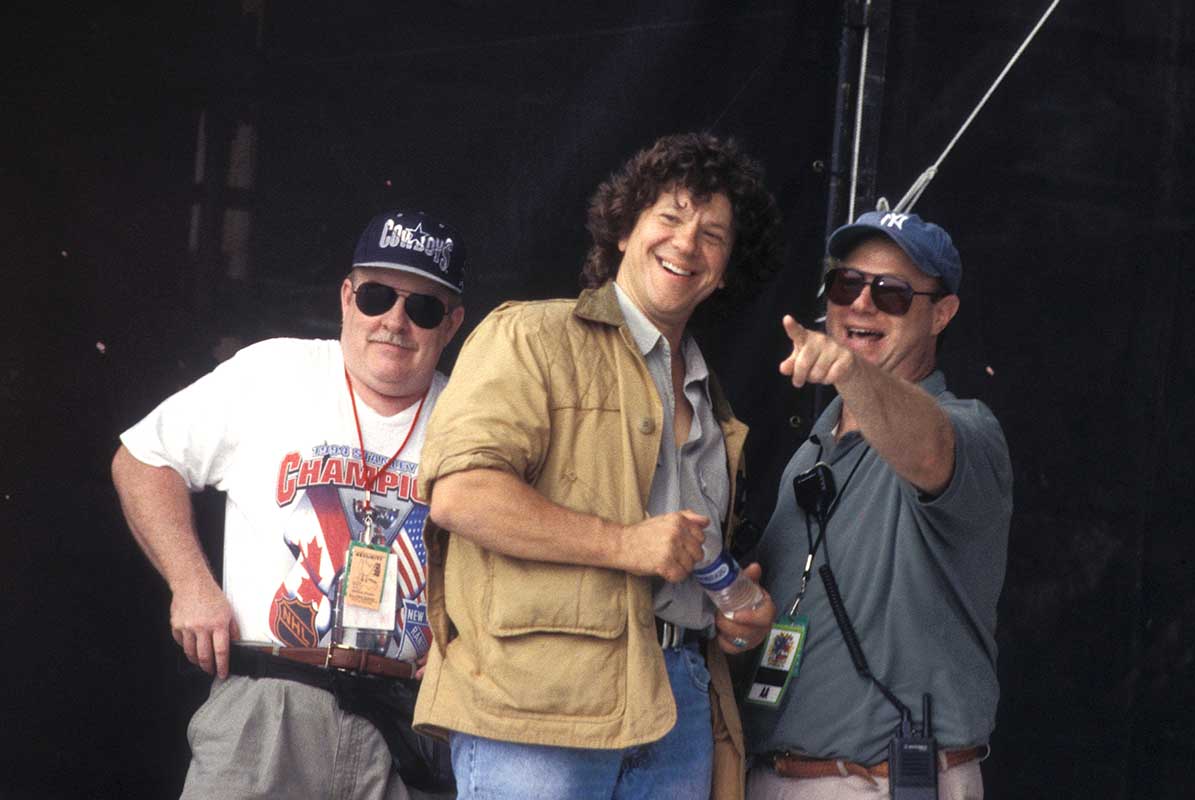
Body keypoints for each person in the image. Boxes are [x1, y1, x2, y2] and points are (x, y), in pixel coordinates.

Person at [412, 132, 783, 800]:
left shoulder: (713, 398)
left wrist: (734, 612)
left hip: (681, 702)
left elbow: (681, 559)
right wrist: (623, 542)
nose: (686, 243)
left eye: (713, 234)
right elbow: (460, 496)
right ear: (623, 230)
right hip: (540, 704)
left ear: (725, 269)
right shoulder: (531, 335)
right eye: (668, 217)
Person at [111, 209, 467, 799]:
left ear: (451, 324)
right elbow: (143, 459)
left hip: (408, 718)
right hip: (267, 702)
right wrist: (191, 584)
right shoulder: (276, 371)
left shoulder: (473, 416)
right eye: (378, 296)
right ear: (347, 298)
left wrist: (470, 638)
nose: (395, 322)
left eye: (422, 307)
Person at [742, 210, 1013, 800]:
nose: (861, 304)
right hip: (771, 775)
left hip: (885, 782)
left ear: (941, 313)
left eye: (891, 293)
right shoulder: (811, 449)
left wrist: (849, 372)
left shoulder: (967, 430)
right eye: (846, 284)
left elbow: (928, 446)